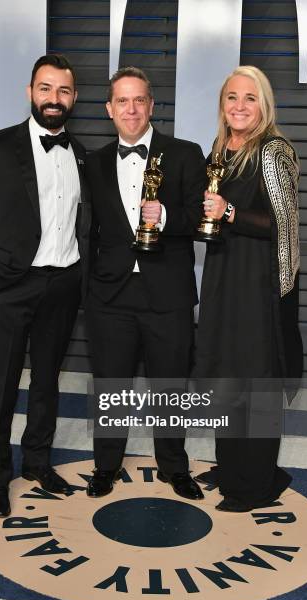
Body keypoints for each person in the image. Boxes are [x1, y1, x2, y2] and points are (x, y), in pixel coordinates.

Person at [0, 54, 90, 517]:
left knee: (48, 382)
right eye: (46, 89)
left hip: (64, 283)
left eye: (64, 91)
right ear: (31, 92)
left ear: (74, 97)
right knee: (2, 386)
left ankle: (36, 462)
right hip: (10, 286)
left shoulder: (82, 154)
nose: (55, 99)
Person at [85, 66, 207, 499]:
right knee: (111, 385)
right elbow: (88, 231)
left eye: (139, 100)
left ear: (152, 106)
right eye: (122, 101)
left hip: (168, 293)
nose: (131, 109)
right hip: (110, 294)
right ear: (109, 109)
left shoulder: (186, 153)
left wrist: (168, 218)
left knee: (171, 385)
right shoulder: (94, 162)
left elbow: (200, 217)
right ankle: (105, 466)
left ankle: (175, 467)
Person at [193, 65, 303, 512]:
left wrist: (230, 211)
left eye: (250, 98)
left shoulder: (274, 151)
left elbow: (282, 225)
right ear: (222, 104)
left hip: (257, 285)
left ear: (264, 104)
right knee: (225, 376)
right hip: (223, 277)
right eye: (232, 97)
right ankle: (232, 463)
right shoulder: (220, 148)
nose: (239, 106)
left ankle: (255, 482)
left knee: (255, 383)